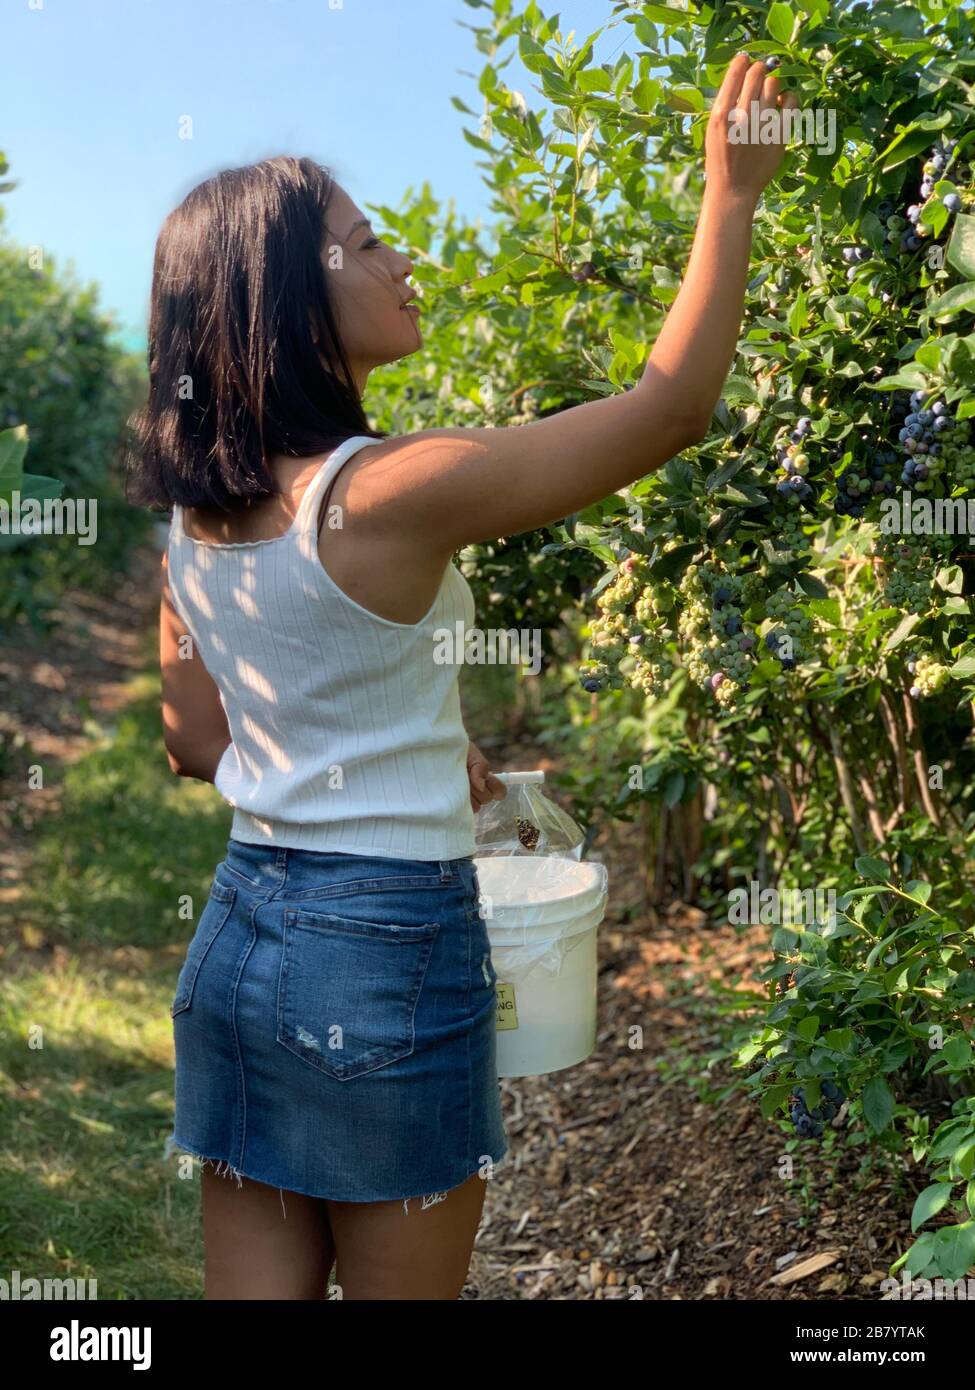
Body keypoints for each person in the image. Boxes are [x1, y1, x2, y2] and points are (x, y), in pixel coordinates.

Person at [129, 51, 795, 1300]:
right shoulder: (386, 491)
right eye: (370, 244)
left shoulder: (193, 524)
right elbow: (666, 410)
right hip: (383, 943)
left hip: (241, 934)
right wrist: (732, 196)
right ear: (290, 299)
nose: (404, 261)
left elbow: (195, 743)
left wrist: (404, 748)